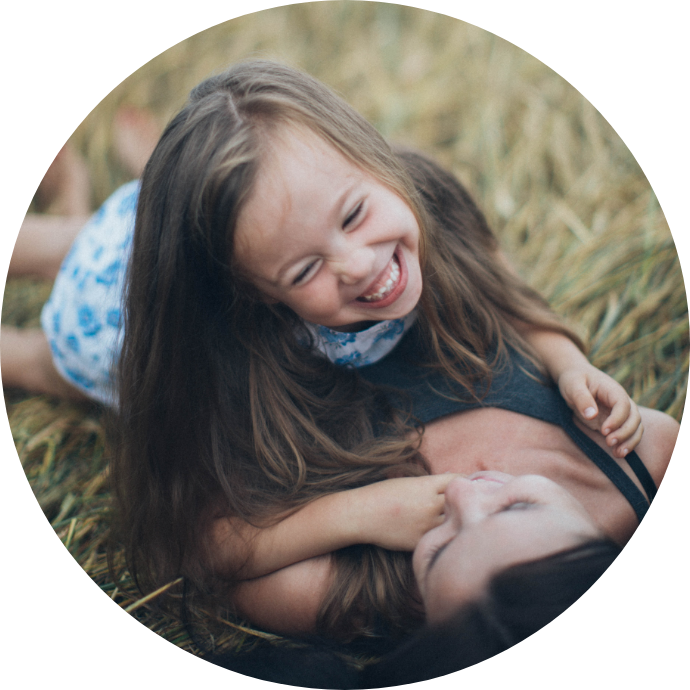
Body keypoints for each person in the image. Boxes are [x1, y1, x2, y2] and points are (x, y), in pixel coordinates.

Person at [3, 60, 683, 645]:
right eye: (351, 219)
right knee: (95, 240)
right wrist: (571, 362)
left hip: (122, 323)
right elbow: (508, 296)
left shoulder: (370, 591)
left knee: (53, 357)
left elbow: (200, 546)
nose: (359, 267)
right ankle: (134, 194)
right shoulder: (632, 465)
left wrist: (371, 512)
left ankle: (127, 206)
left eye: (442, 546)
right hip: (178, 264)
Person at [204, 473, 623, 689]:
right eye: (517, 510)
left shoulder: (345, 599)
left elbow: (208, 555)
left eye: (439, 554)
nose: (460, 492)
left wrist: (360, 513)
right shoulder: (646, 459)